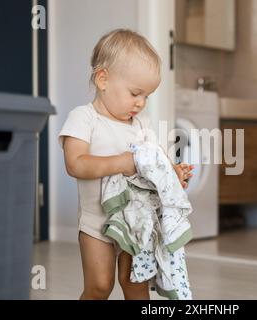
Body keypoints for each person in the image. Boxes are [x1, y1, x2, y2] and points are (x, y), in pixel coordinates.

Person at [58, 29, 193, 300]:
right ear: (103, 79)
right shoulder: (84, 118)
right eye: (135, 93)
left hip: (136, 221)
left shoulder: (141, 125)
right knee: (100, 285)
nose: (141, 103)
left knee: (135, 283)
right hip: (97, 223)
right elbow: (76, 164)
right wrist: (123, 162)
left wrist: (173, 172)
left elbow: (156, 159)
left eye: (147, 96)